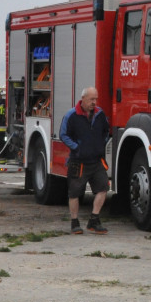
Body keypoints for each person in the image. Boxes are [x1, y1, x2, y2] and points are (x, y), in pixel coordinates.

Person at [60, 86, 111, 235]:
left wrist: (100, 145)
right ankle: (75, 223)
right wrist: (77, 147)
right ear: (83, 99)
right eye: (91, 99)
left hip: (96, 161)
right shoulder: (71, 115)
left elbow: (106, 131)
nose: (94, 102)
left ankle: (94, 220)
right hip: (78, 161)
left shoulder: (100, 114)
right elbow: (63, 135)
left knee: (103, 189)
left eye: (96, 99)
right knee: (74, 193)